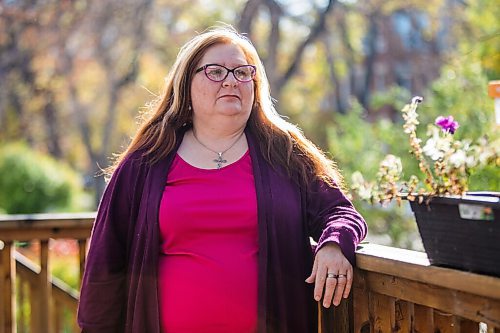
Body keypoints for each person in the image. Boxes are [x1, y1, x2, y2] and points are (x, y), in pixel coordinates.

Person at [77, 25, 367, 333]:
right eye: (215, 72)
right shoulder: (147, 160)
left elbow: (340, 212)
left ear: (255, 87)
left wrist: (335, 245)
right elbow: (106, 262)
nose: (231, 80)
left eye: (243, 72)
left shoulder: (285, 153)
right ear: (186, 86)